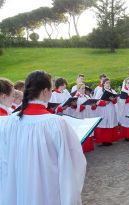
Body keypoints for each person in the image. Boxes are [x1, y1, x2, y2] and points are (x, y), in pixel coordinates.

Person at [0, 70, 86, 205]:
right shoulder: (57, 123)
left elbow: (4, 162)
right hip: (49, 193)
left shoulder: (8, 122)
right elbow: (73, 163)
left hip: (20, 192)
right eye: (51, 90)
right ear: (45, 91)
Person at [93, 77, 119, 146]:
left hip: (111, 109)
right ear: (103, 84)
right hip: (103, 110)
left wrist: (113, 99)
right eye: (107, 83)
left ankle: (110, 140)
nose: (108, 84)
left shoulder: (112, 91)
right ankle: (104, 140)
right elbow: (96, 102)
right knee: (104, 123)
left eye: (109, 83)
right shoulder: (100, 91)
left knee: (110, 123)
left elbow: (115, 101)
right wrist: (104, 103)